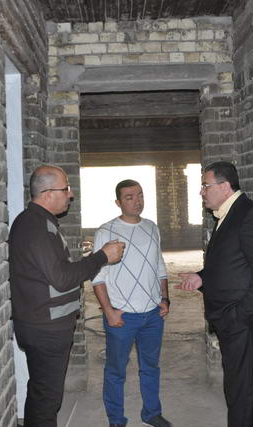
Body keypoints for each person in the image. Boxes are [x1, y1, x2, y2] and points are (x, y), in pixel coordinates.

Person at [9, 165, 126, 427]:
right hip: (45, 328)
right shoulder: (37, 226)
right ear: (48, 193)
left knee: (43, 393)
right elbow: (62, 278)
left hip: (42, 323)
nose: (70, 194)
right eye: (65, 189)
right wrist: (102, 256)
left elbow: (54, 273)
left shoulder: (38, 222)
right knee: (47, 398)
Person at [177, 161, 253, 427]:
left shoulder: (249, 214)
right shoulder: (228, 213)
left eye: (205, 186)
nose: (201, 192)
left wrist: (240, 316)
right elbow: (229, 262)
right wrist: (202, 277)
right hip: (232, 319)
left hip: (243, 321)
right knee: (238, 389)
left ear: (224, 187)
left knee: (241, 392)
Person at [92, 179, 172, 427]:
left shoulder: (151, 227)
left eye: (140, 195)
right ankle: (116, 420)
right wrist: (109, 312)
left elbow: (159, 266)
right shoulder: (106, 232)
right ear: (118, 202)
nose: (137, 201)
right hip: (122, 316)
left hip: (152, 315)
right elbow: (98, 276)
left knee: (151, 367)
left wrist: (164, 298)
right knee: (116, 371)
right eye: (129, 197)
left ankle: (152, 413)